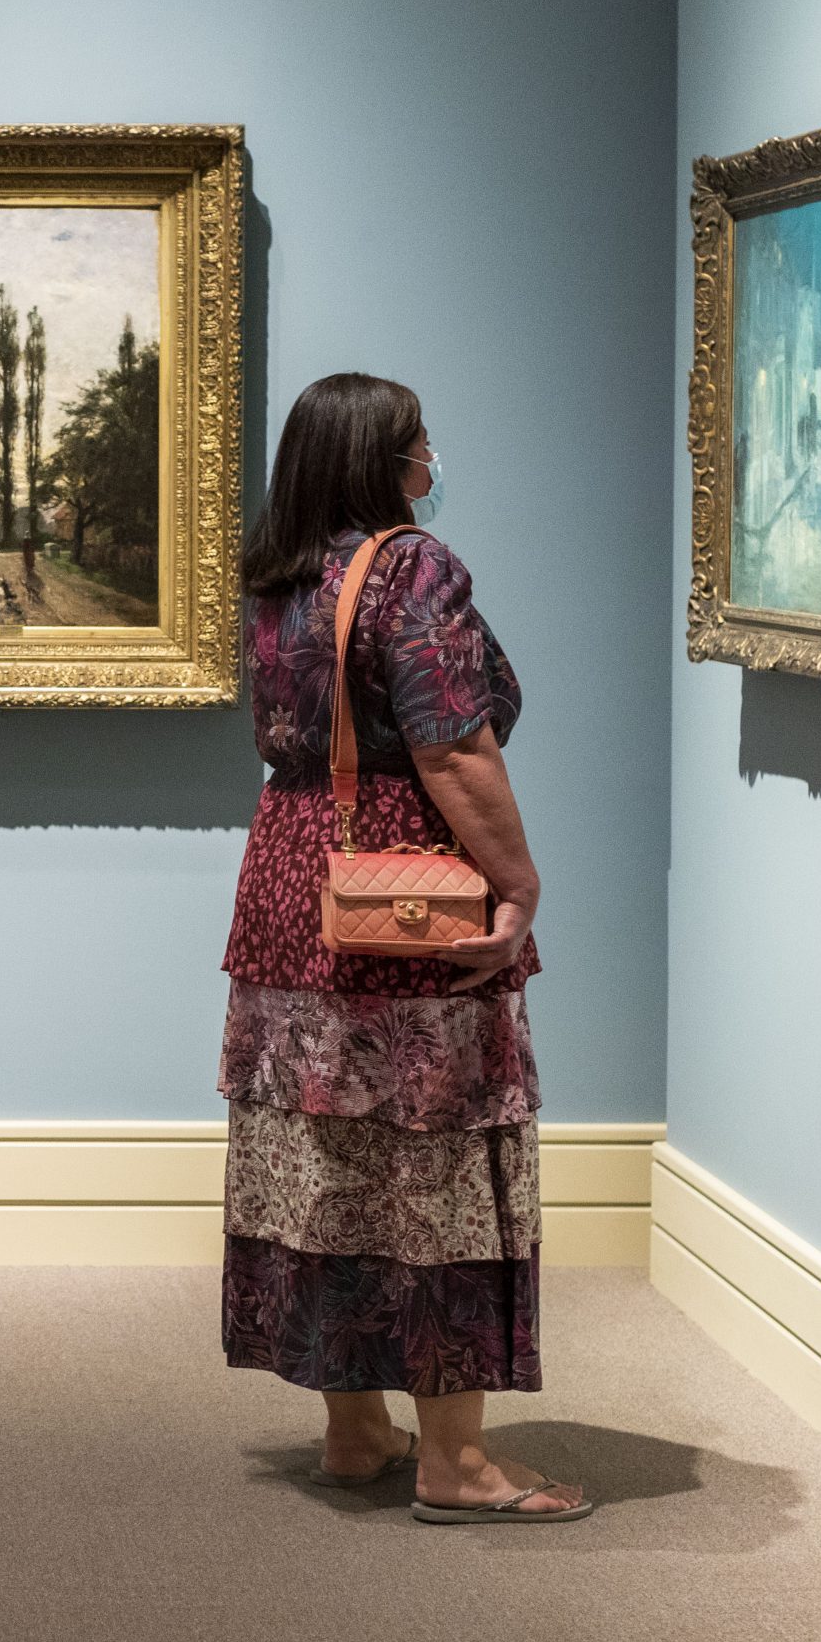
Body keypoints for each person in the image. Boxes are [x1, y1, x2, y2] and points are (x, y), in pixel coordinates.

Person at [218, 372, 591, 1524]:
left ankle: (353, 1428)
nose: (433, 457)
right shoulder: (412, 570)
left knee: (324, 1159)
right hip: (400, 887)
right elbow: (454, 752)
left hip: (289, 875)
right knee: (436, 1166)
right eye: (420, 440)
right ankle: (458, 1464)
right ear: (382, 461)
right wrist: (518, 882)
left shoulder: (275, 576)